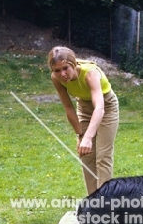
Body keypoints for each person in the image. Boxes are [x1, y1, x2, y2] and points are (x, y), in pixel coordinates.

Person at [48, 46, 119, 194]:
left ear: (73, 64)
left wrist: (89, 137)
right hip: (84, 108)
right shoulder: (56, 79)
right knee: (86, 155)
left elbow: (99, 108)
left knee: (103, 156)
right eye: (57, 70)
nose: (62, 74)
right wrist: (81, 136)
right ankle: (93, 203)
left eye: (66, 68)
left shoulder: (90, 74)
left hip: (106, 106)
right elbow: (68, 108)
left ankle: (105, 204)